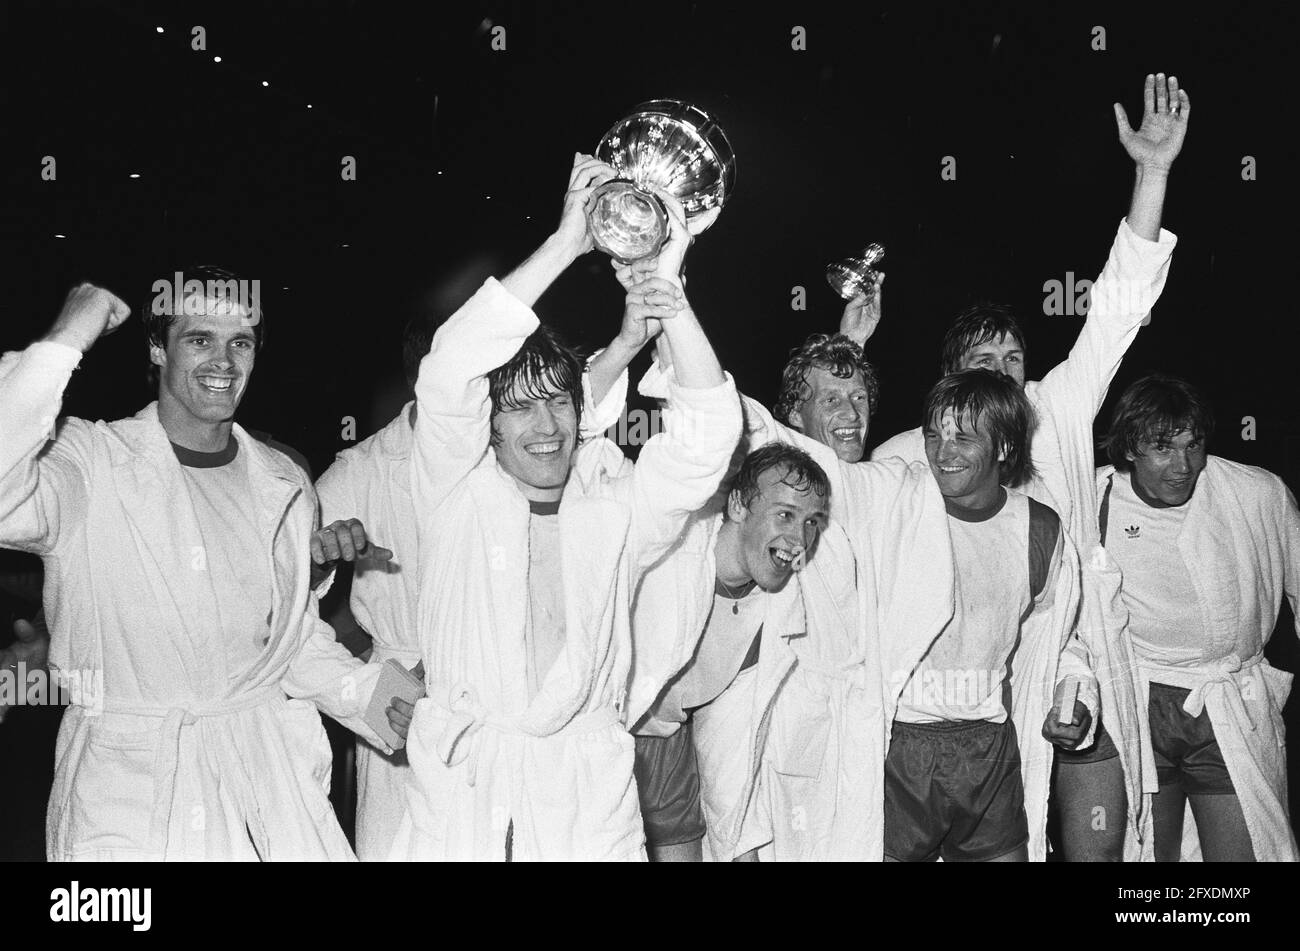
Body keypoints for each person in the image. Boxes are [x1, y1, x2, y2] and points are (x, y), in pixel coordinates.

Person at [386, 154, 742, 861]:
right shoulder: (457, 493)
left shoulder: (615, 512)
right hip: (469, 791)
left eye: (557, 402)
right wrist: (565, 244)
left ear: (583, 414)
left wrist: (669, 295)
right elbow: (451, 367)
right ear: (489, 425)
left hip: (588, 797)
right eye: (518, 409)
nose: (543, 427)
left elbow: (708, 439)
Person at [871, 73, 1188, 861]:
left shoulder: (1060, 405)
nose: (1008, 371)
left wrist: (1151, 175)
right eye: (986, 361)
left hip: (1075, 654)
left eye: (1015, 355)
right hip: (955, 702)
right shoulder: (910, 456)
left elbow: (1116, 308)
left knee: (1100, 850)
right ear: (952, 382)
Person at [0, 269, 395, 860]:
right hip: (131, 791)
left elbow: (287, 648)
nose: (224, 361)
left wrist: (398, 707)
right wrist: (66, 338)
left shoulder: (283, 481)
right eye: (199, 338)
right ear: (158, 348)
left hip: (262, 785)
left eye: (240, 342)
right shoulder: (88, 463)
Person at [314, 306, 632, 860]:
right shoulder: (360, 470)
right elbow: (280, 608)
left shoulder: (518, 463)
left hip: (511, 721)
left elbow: (576, 404)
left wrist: (631, 338)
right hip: (408, 714)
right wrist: (372, 693)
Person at [1092, 375, 1299, 862]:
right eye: (1162, 448)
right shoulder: (1092, 500)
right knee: (1147, 864)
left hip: (1226, 705)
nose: (1182, 466)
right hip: (1139, 704)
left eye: (1193, 445)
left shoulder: (1257, 494)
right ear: (1128, 449)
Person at [630, 443, 841, 862]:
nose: (799, 540)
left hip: (666, 748)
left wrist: (743, 853)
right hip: (594, 745)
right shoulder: (665, 551)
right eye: (784, 514)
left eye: (811, 522)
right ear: (740, 505)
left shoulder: (773, 610)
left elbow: (729, 752)